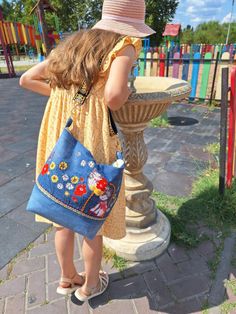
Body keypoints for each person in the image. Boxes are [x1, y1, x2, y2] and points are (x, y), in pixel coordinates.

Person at [19, 0, 155, 302]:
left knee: (62, 208)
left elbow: (27, 79)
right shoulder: (125, 45)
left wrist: (61, 97)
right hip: (91, 138)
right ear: (133, 25)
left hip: (60, 135)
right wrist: (126, 90)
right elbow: (115, 96)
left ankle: (66, 279)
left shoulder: (73, 44)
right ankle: (90, 285)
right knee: (92, 216)